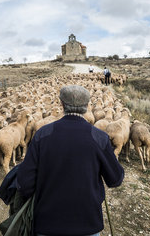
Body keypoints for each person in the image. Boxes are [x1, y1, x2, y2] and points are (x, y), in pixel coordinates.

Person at [16, 85, 124, 236]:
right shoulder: (99, 137)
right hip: (87, 224)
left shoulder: (42, 135)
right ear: (87, 106)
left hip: (47, 223)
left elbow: (24, 182)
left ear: (61, 104)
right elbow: (115, 179)